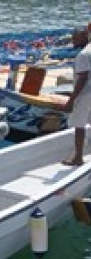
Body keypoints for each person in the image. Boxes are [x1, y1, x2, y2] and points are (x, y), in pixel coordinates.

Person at [64, 27, 91, 166]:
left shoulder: (83, 55)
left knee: (79, 125)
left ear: (83, 37)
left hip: (85, 94)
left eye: (75, 38)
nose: (73, 41)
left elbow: (82, 79)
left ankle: (78, 158)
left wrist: (71, 99)